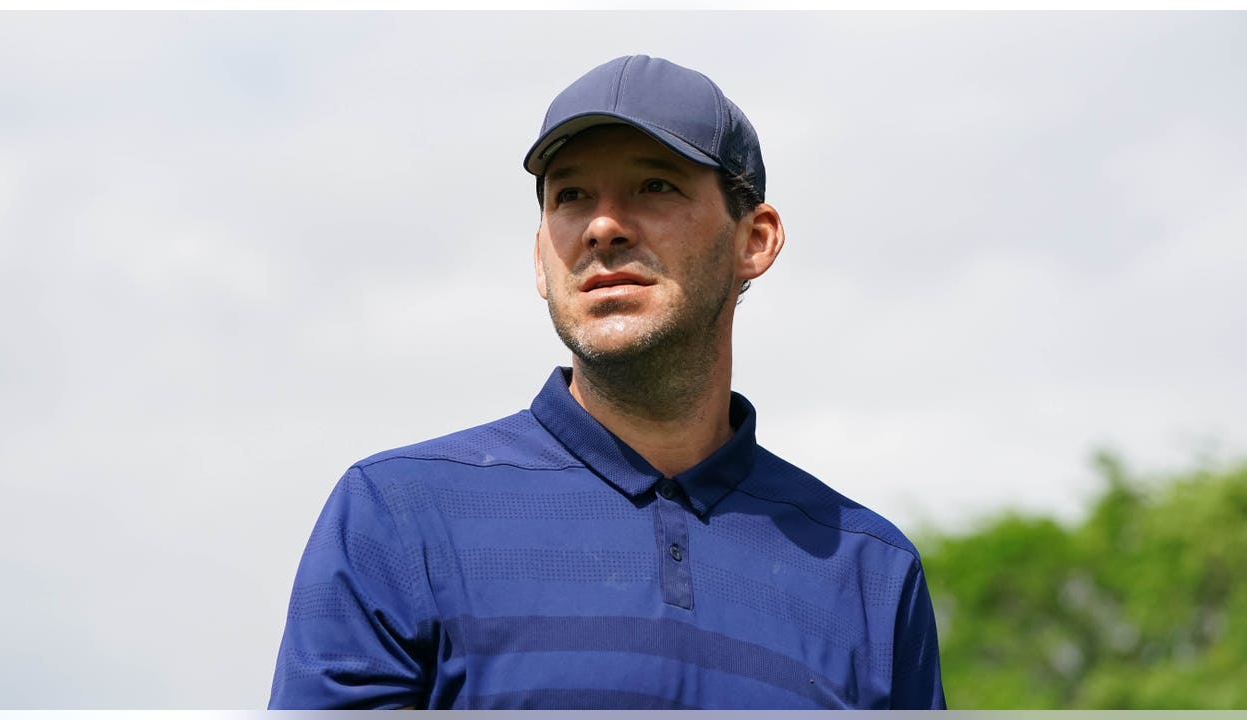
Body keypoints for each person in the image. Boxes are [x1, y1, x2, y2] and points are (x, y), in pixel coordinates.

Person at [269, 54, 946, 710]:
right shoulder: (397, 514)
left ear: (755, 239)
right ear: (541, 257)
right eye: (571, 196)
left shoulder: (870, 571)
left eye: (655, 186)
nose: (602, 227)